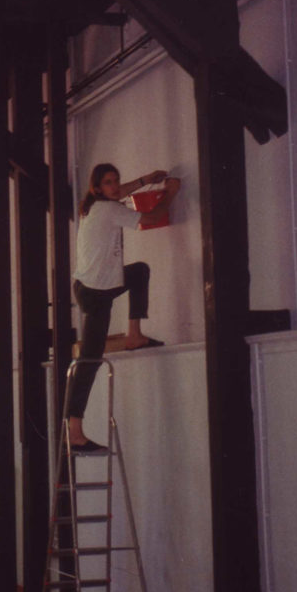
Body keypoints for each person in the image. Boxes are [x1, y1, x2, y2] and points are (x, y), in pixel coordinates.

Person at [66, 163, 180, 451]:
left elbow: (118, 193)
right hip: (97, 292)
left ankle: (134, 335)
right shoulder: (108, 210)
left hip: (93, 287)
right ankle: (74, 431)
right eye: (108, 182)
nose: (115, 186)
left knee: (138, 272)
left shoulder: (93, 205)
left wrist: (144, 179)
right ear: (97, 187)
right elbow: (151, 216)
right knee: (89, 361)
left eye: (116, 180)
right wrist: (170, 193)